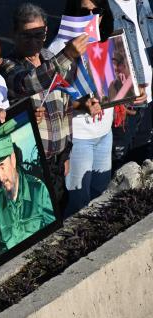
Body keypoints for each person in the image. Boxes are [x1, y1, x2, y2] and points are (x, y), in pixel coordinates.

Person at [0, 3, 97, 212]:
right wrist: (68, 55)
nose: (35, 40)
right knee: (38, 217)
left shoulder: (50, 58)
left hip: (58, 159)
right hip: (31, 163)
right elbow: (28, 83)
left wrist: (82, 105)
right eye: (28, 35)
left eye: (40, 34)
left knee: (60, 210)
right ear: (14, 34)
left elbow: (64, 106)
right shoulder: (7, 64)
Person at [49, 0, 116, 216]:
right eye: (84, 11)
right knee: (78, 205)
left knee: (100, 193)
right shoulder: (60, 47)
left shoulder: (106, 39)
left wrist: (129, 95)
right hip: (79, 138)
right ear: (73, 12)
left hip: (104, 133)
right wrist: (81, 105)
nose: (91, 16)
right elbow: (51, 100)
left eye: (96, 11)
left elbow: (114, 85)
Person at [0, 135, 55, 251]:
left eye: (2, 167)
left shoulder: (38, 190)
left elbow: (55, 232)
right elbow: (3, 246)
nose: (0, 177)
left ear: (13, 160)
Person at [108, 0, 153, 163]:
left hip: (150, 99)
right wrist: (120, 98)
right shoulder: (104, 8)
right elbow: (98, 58)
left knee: (142, 161)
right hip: (126, 106)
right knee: (120, 167)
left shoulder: (144, 2)